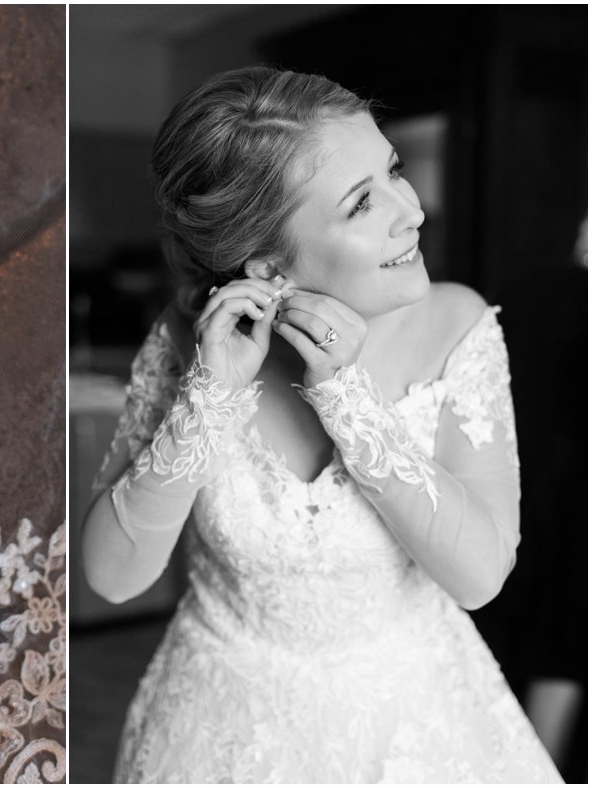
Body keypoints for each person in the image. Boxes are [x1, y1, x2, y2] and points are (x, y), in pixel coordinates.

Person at [81, 67, 563, 783]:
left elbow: (480, 577)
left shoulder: (458, 325)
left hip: (416, 726)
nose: (414, 209)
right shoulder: (189, 344)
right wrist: (209, 398)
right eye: (363, 202)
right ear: (271, 264)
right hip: (219, 730)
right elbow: (113, 578)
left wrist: (347, 399)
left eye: (393, 170)